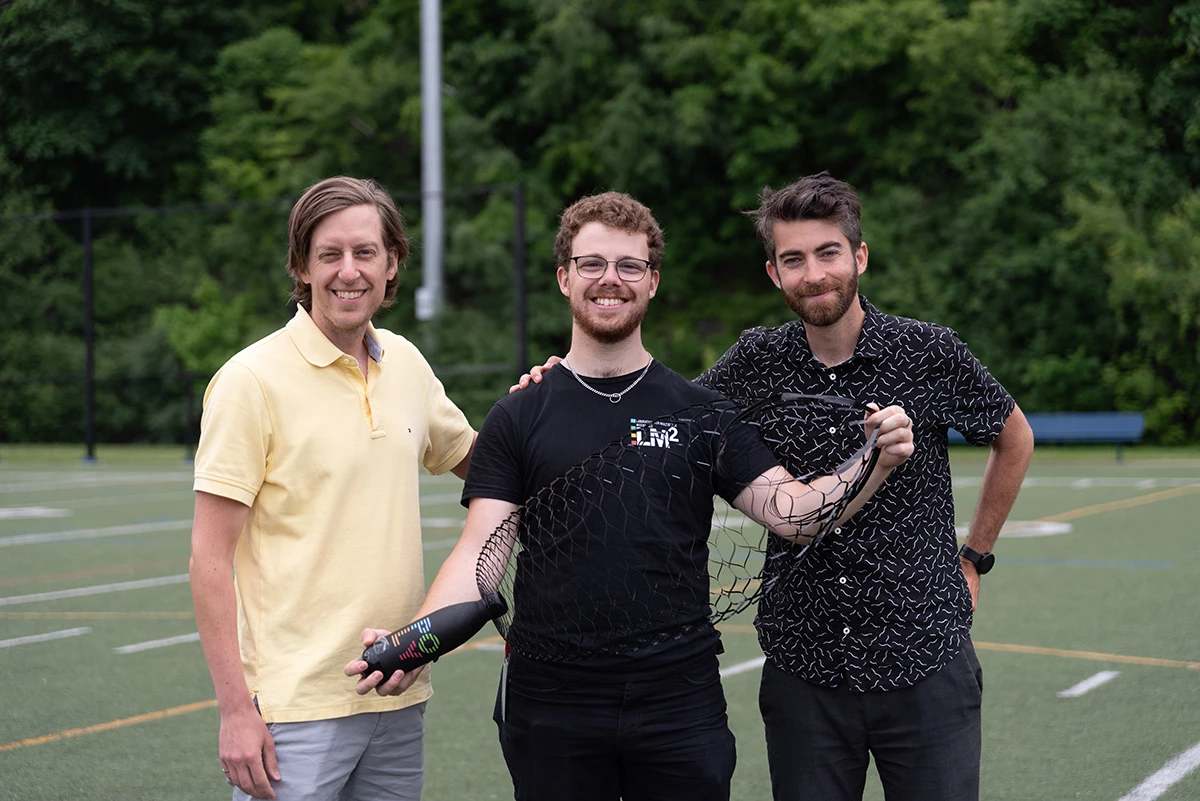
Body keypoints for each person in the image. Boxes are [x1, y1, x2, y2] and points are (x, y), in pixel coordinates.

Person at [345, 191, 914, 801]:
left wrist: (874, 460)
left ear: (653, 281)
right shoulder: (518, 415)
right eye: (591, 264)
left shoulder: (702, 412)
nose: (609, 279)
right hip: (550, 703)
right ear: (565, 278)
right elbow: (478, 554)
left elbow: (794, 514)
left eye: (629, 266)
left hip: (679, 702)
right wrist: (418, 641)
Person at [693, 172, 1035, 801]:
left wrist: (975, 556)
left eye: (828, 253)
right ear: (773, 273)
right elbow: (671, 422)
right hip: (804, 665)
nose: (813, 274)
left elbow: (1013, 437)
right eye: (793, 259)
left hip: (924, 654)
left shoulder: (927, 351)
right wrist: (573, 377)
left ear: (860, 256)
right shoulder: (755, 360)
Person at [189, 176, 476, 801]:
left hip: (396, 689)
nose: (349, 271)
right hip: (294, 708)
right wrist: (236, 711)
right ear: (302, 266)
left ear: (392, 262)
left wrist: (545, 401)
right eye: (329, 254)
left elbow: (483, 467)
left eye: (365, 252)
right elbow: (208, 559)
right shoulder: (249, 381)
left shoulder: (406, 362)